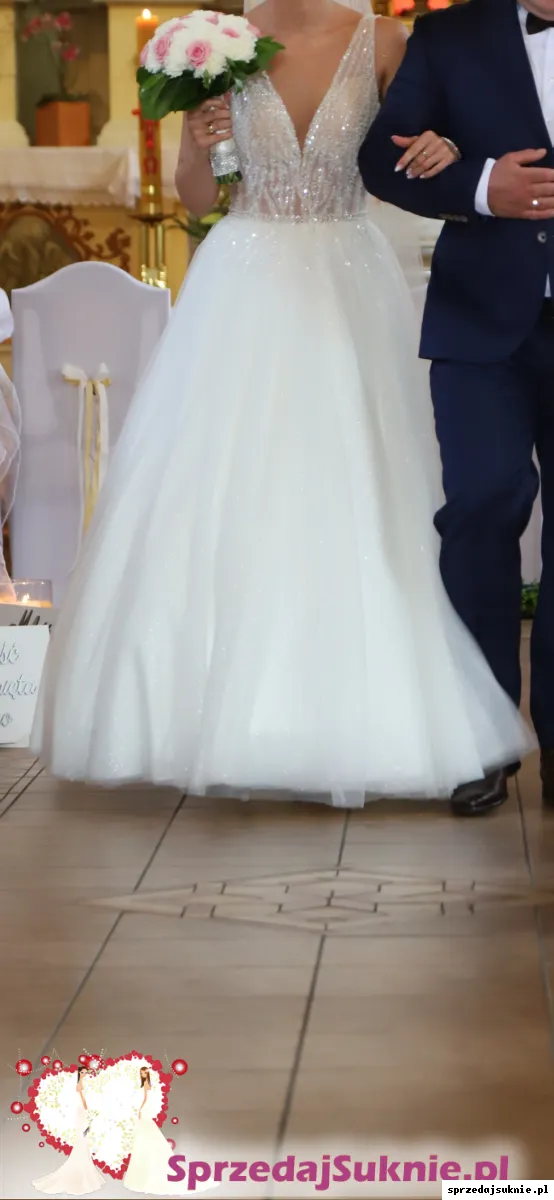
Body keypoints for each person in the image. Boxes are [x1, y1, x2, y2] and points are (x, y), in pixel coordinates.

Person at [32, 0, 533, 809]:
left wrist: (443, 150)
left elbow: (408, 157)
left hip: (345, 277)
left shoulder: (386, 39)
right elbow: (196, 197)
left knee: (356, 486)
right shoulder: (212, 43)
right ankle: (215, 721)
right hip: (243, 278)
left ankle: (368, 721)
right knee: (229, 492)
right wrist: (199, 144)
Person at [358, 0, 554, 816]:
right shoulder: (448, 34)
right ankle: (481, 738)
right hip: (480, 322)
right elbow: (379, 158)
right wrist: (478, 184)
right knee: (479, 504)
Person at [124, 1068, 213, 1195]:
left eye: (144, 1073)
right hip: (145, 1112)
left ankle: (148, 1170)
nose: (142, 1075)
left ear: (146, 1074)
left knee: (145, 1136)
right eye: (141, 1073)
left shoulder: (146, 1085)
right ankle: (145, 1169)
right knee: (145, 1136)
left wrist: (140, 1109)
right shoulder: (146, 1084)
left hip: (144, 1111)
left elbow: (145, 1099)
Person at [33, 1067, 105, 1196]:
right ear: (79, 1073)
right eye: (82, 1072)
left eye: (85, 1072)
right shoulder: (79, 1085)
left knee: (84, 1138)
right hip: (82, 1111)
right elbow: (83, 1100)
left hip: (83, 1112)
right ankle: (80, 1166)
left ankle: (84, 1164)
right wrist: (88, 1110)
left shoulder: (85, 1083)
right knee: (83, 1137)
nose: (84, 1074)